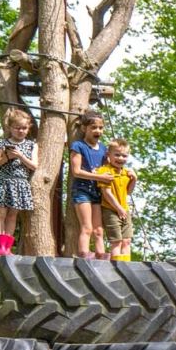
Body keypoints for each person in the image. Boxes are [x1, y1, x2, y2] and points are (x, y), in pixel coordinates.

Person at [0, 108, 38, 256]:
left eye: (24, 128)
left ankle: (7, 247)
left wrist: (21, 156)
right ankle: (0, 246)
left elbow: (34, 165)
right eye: (17, 128)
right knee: (1, 212)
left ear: (28, 128)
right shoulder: (2, 143)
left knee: (12, 215)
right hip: (3, 181)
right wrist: (7, 157)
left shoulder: (31, 145)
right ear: (10, 128)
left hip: (20, 182)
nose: (21, 131)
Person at [68, 110, 114, 259]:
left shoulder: (103, 149)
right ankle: (84, 255)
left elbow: (110, 167)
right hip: (82, 190)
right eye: (93, 127)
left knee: (99, 230)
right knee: (87, 227)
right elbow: (76, 171)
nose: (98, 131)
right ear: (84, 129)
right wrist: (98, 176)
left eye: (100, 128)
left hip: (97, 191)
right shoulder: (78, 146)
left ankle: (101, 255)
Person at [95, 138, 136, 261]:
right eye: (117, 155)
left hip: (124, 209)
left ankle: (126, 265)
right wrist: (118, 209)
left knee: (127, 240)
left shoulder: (126, 173)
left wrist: (134, 180)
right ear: (109, 154)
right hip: (111, 209)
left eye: (124, 156)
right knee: (116, 241)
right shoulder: (104, 171)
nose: (120, 158)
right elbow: (106, 193)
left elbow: (128, 192)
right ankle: (116, 266)